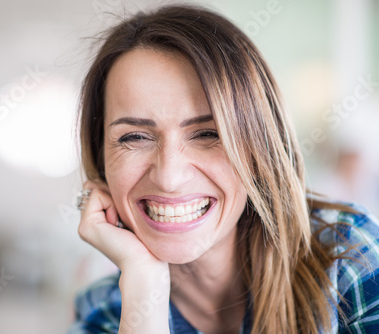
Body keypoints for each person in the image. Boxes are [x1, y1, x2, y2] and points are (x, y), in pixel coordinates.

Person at [68, 4, 379, 334]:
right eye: (134, 137)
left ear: (259, 150)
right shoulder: (104, 310)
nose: (169, 178)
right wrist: (145, 284)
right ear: (100, 158)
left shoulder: (348, 258)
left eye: (208, 133)